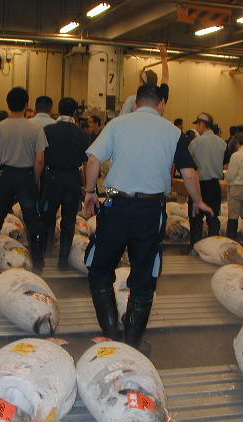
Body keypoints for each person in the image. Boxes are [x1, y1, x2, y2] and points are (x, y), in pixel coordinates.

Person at [82, 84, 211, 349]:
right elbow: (189, 174)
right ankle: (132, 341)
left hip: (116, 203)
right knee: (144, 276)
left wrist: (90, 193)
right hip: (151, 210)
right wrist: (197, 201)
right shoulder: (174, 132)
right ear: (161, 104)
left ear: (136, 102)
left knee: (100, 268)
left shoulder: (117, 124)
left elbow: (93, 160)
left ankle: (110, 330)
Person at [0, 87, 48, 274]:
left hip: (5, 175)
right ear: (27, 104)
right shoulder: (36, 129)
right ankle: (38, 263)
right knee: (33, 221)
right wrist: (34, 178)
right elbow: (40, 159)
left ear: (8, 104)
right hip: (26, 176)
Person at [41, 97, 89, 267]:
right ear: (75, 112)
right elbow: (85, 163)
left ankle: (45, 253)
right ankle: (63, 261)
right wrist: (87, 187)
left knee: (48, 216)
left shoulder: (48, 130)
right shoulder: (82, 134)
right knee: (69, 220)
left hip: (52, 177)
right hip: (72, 179)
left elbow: (42, 158)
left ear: (58, 110)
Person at [187, 112, 225, 250]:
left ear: (202, 124)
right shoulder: (222, 143)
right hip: (215, 185)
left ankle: (195, 248)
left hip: (199, 186)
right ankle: (213, 249)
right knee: (213, 218)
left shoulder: (195, 142)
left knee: (196, 219)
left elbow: (189, 165)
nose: (197, 128)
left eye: (197, 124)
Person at [120, 45, 169, 115]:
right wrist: (164, 59)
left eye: (140, 80)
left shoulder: (133, 100)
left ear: (142, 83)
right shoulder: (160, 98)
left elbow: (122, 119)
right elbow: (165, 78)